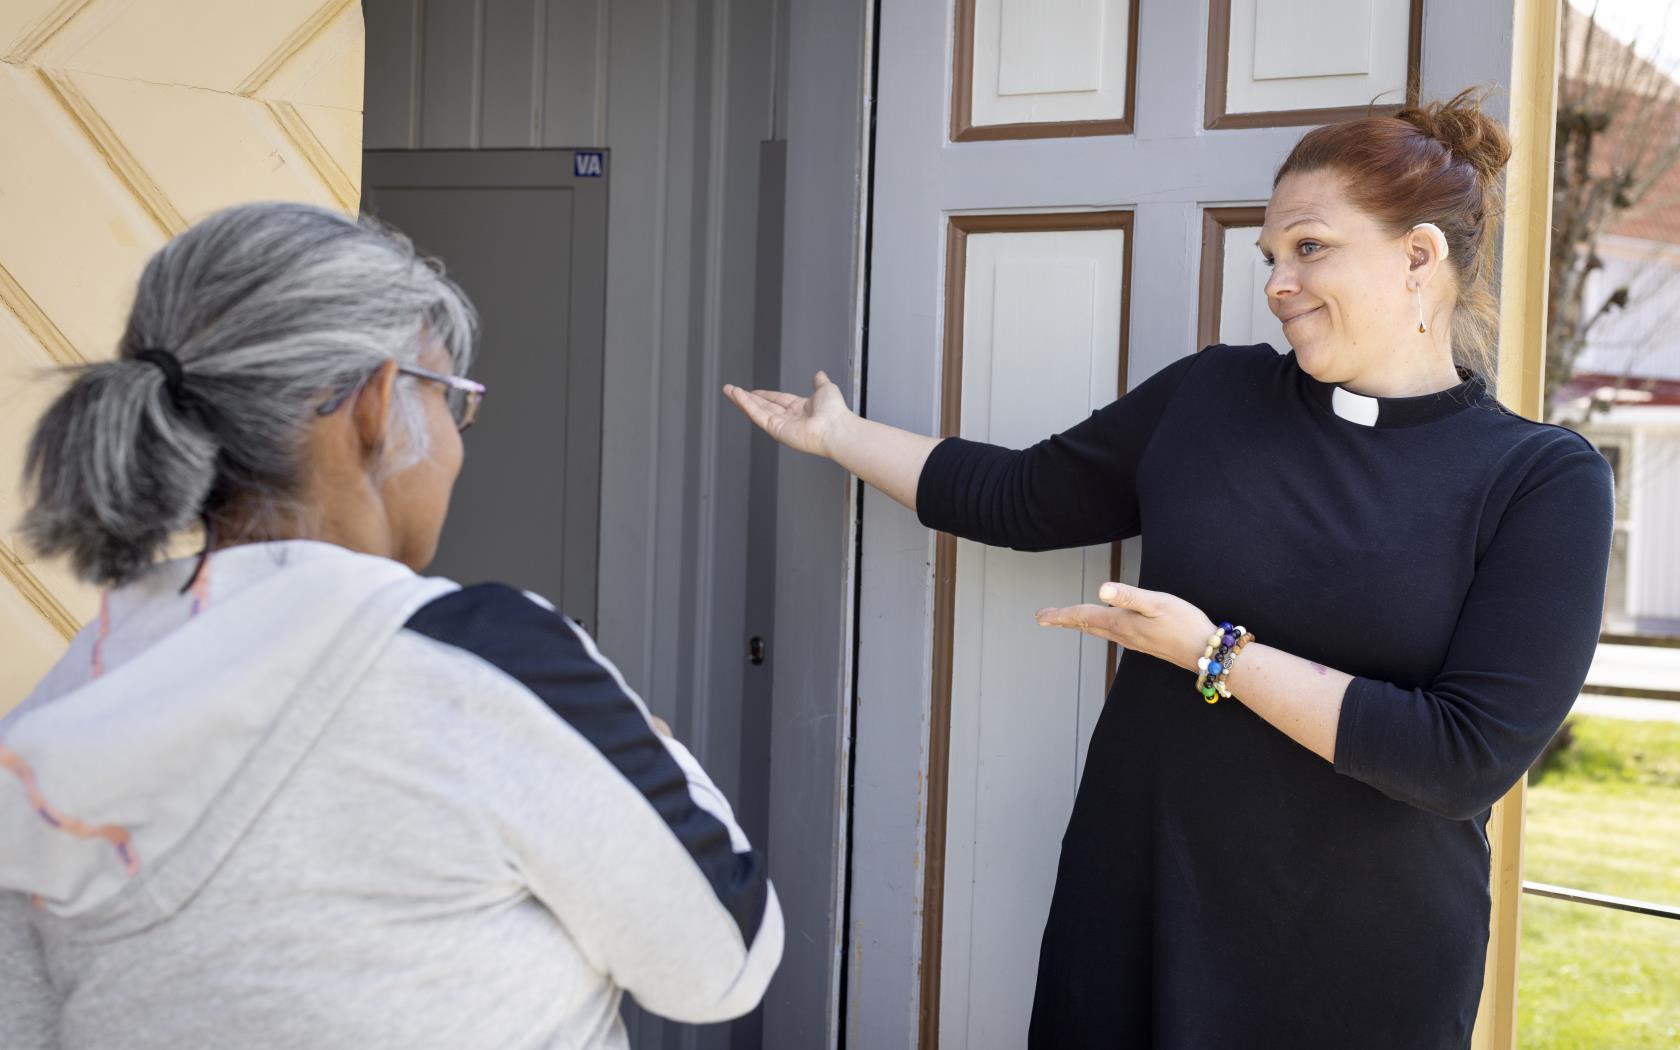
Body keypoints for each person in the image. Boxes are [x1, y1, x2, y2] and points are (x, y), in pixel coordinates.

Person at [724, 90, 1612, 1049]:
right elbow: (1023, 495)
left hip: (1357, 951)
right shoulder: (1214, 395)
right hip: (1143, 894)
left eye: (1310, 248)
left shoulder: (1540, 480)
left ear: (1418, 257)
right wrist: (839, 435)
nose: (1278, 282)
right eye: (1271, 257)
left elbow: (1460, 758)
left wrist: (1213, 653)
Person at [0, 202, 781, 1049]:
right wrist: (655, 752)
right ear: (374, 404)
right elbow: (722, 966)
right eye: (451, 400)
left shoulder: (65, 703)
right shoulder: (483, 659)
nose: (456, 442)